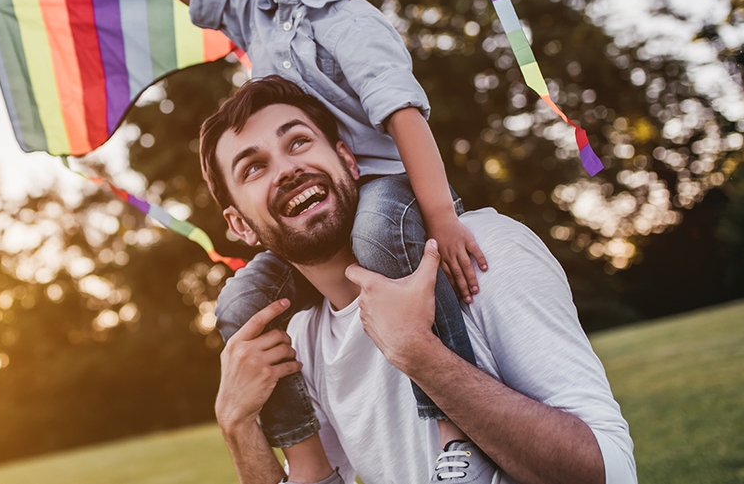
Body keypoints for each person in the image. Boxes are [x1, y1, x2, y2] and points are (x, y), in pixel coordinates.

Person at [63, 0, 485, 479]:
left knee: (375, 233)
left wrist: (440, 217)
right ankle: (309, 462)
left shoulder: (354, 24)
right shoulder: (252, 14)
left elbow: (405, 119)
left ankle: (456, 434)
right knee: (238, 302)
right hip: (311, 204)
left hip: (380, 186)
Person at [200, 77, 636, 484]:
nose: (287, 169)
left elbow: (610, 472)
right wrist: (237, 428)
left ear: (348, 161)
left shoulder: (480, 251)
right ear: (241, 226)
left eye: (298, 141)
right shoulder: (300, 345)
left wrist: (419, 354)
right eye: (253, 168)